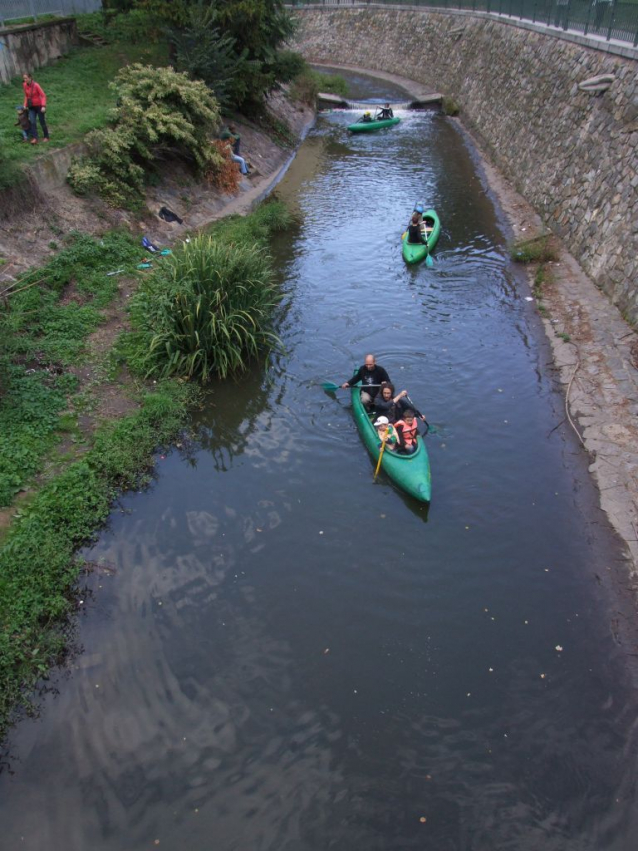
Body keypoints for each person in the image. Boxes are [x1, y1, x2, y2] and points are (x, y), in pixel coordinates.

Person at [22, 73, 49, 145]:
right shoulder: (24, 85)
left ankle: (46, 136)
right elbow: (26, 96)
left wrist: (43, 106)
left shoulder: (36, 85)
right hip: (31, 107)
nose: (25, 80)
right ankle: (35, 138)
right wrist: (25, 104)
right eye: (24, 78)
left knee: (42, 121)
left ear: (30, 78)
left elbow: (43, 96)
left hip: (39, 106)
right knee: (33, 122)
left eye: (26, 78)